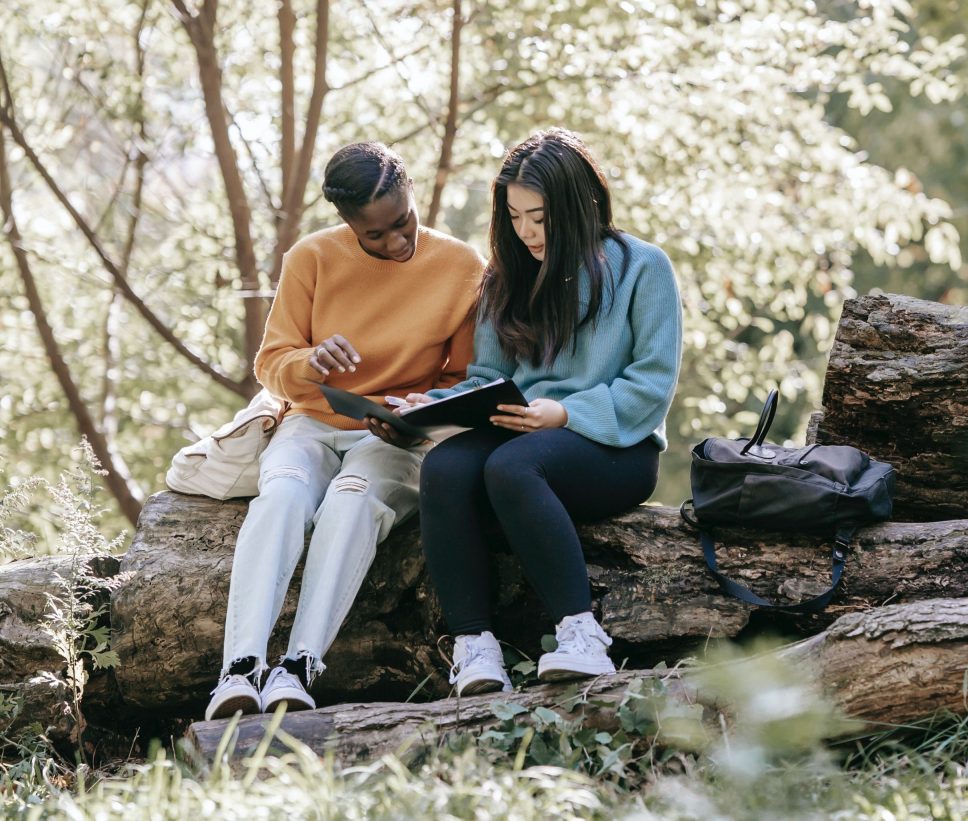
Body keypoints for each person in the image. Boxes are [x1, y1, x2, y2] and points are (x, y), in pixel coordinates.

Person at [370, 128, 682, 695]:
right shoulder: (505, 280)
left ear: (578, 204)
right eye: (514, 218)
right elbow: (489, 381)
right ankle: (475, 649)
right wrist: (427, 407)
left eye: (539, 217)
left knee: (510, 467)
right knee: (443, 468)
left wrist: (561, 415)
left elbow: (652, 384)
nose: (527, 232)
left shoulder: (643, 267)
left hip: (616, 447)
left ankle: (582, 637)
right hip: (519, 433)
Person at [204, 142, 485, 720]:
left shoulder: (462, 268)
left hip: (394, 438)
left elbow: (466, 379)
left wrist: (420, 410)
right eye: (375, 235)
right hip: (311, 422)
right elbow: (270, 363)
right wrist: (308, 363)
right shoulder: (310, 258)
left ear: (411, 194)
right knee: (280, 495)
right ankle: (239, 670)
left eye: (402, 223)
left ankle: (299, 666)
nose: (395, 242)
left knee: (350, 502)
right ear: (346, 222)